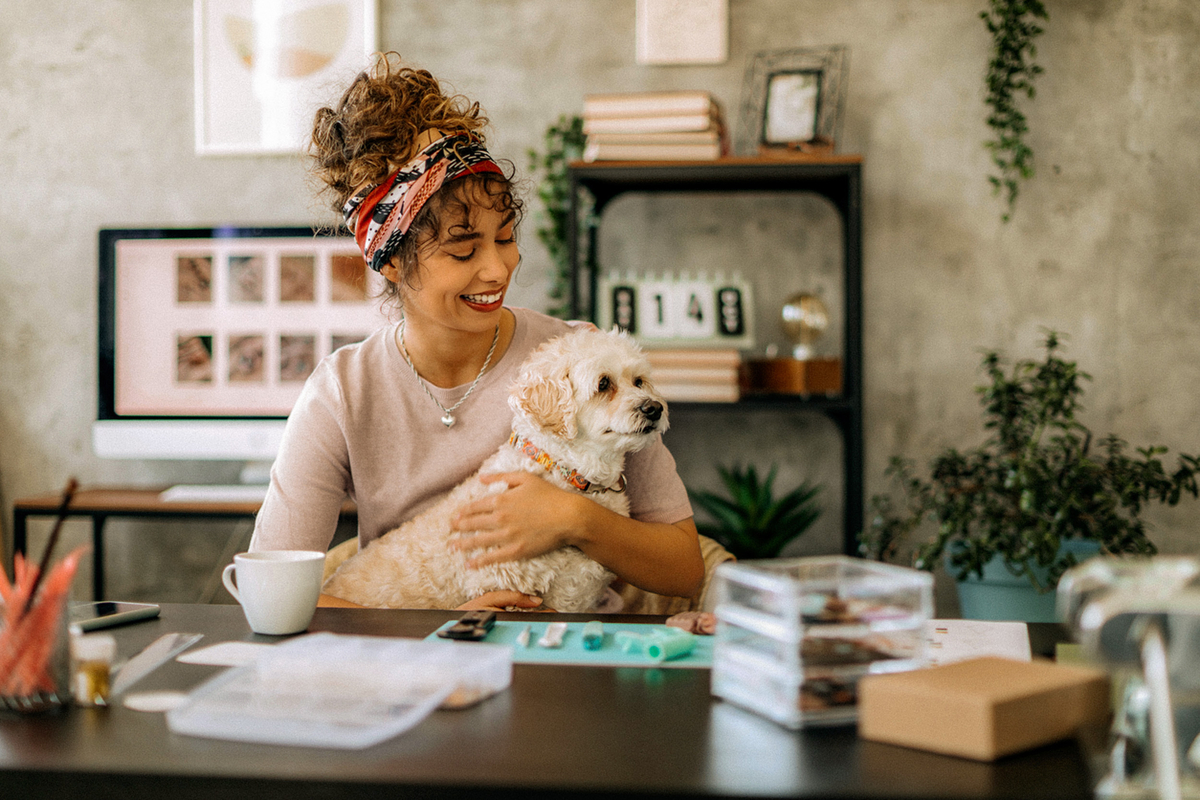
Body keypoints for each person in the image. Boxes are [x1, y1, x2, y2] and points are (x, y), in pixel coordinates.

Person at [249, 53, 704, 611]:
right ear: (391, 262)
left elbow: (685, 568)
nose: (497, 269)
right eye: (463, 250)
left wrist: (576, 518)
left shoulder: (581, 360)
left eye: (505, 238)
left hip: (575, 650)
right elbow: (271, 598)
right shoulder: (344, 391)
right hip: (413, 656)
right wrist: (442, 631)